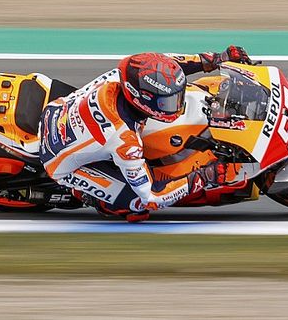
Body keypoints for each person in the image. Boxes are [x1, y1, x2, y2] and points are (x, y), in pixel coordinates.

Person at [38, 46, 251, 222]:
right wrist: (203, 177)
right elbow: (153, 195)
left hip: (60, 109)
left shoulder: (127, 73)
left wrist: (215, 59)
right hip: (60, 162)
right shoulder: (124, 141)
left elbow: (170, 65)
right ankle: (97, 200)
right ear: (140, 99)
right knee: (137, 205)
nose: (176, 106)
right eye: (167, 103)